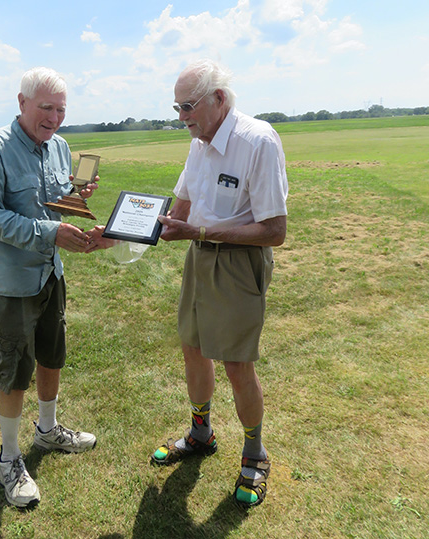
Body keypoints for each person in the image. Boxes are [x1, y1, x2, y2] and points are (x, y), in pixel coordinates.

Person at [149, 59, 288, 508]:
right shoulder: (198, 144)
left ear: (219, 99)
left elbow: (274, 230)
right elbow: (182, 212)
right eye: (177, 107)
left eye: (188, 106)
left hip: (237, 263)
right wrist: (142, 225)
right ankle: (201, 432)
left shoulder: (257, 140)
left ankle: (254, 453)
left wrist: (201, 232)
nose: (182, 116)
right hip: (199, 257)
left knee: (236, 364)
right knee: (193, 347)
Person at [0, 67, 99, 509]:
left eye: (61, 109)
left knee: (51, 353)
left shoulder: (59, 147)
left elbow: (55, 201)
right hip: (11, 281)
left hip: (50, 273)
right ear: (21, 103)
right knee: (13, 368)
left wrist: (79, 198)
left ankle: (47, 430)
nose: (55, 118)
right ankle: (9, 457)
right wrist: (50, 232)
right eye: (46, 108)